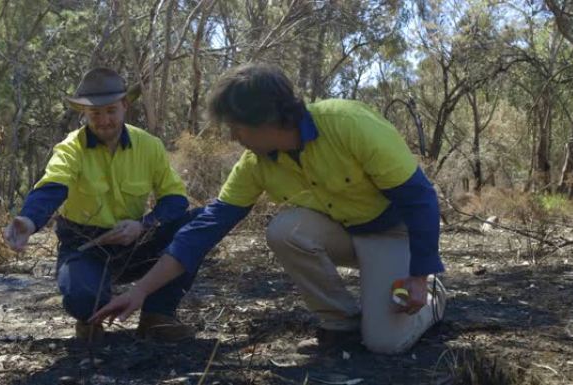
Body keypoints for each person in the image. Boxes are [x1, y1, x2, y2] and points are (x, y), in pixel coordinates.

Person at [90, 63, 447, 354]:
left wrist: (418, 275)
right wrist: (140, 291)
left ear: (267, 120)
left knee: (385, 343)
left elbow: (419, 198)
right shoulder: (256, 162)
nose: (234, 137)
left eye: (236, 126)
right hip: (343, 231)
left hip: (392, 232)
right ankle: (341, 325)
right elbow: (206, 227)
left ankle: (433, 295)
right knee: (284, 230)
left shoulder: (349, 124)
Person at [3, 68, 201, 343]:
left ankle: (158, 316)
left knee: (197, 225)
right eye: (95, 114)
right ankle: (91, 316)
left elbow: (175, 200)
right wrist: (28, 221)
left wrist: (143, 226)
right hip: (86, 246)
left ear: (125, 106)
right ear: (84, 114)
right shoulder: (71, 148)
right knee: (82, 298)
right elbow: (53, 187)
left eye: (111, 111)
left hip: (136, 242)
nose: (104, 120)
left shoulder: (149, 146)